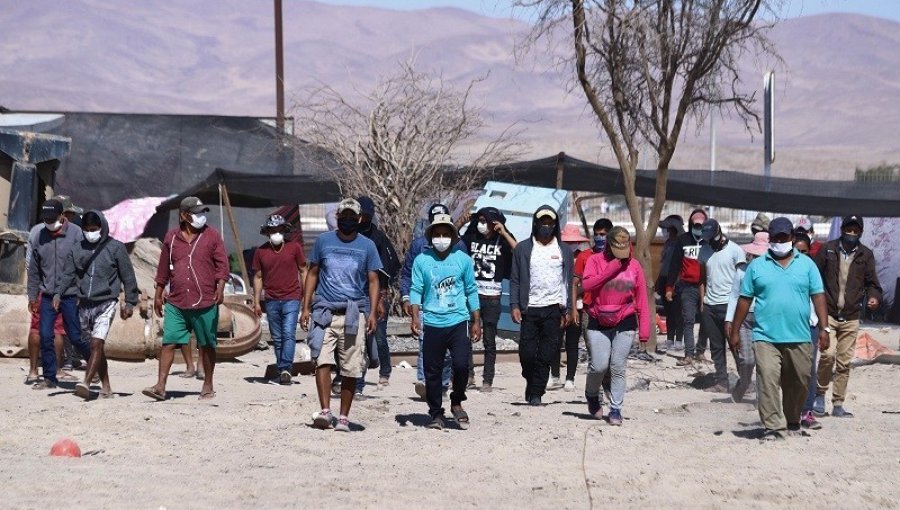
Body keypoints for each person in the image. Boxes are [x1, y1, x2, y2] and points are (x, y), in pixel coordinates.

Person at [729, 217, 830, 441]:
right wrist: (735, 330)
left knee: (800, 380)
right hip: (765, 336)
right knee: (767, 379)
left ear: (792, 238)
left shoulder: (807, 265)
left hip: (800, 336)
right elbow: (744, 300)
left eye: (784, 237)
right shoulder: (757, 266)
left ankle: (792, 419)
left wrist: (824, 328)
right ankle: (773, 427)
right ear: (770, 239)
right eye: (775, 238)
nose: (779, 241)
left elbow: (818, 295)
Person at [301, 198, 381, 432]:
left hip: (354, 313)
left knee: (351, 367)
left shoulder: (367, 246)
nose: (347, 220)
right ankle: (326, 411)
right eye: (342, 216)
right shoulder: (323, 241)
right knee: (322, 360)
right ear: (337, 218)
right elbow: (312, 273)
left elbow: (374, 280)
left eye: (351, 216)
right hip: (324, 311)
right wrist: (305, 307)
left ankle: (344, 417)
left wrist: (373, 312)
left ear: (358, 219)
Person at [143, 197, 229, 401]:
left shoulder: (212, 236)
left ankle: (207, 384)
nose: (201, 217)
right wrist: (158, 293)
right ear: (183, 215)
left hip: (205, 301)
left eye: (202, 212)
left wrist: (221, 287)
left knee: (207, 344)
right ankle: (160, 386)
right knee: (169, 342)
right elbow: (163, 269)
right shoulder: (171, 238)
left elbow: (222, 266)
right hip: (177, 302)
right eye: (196, 212)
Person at [54, 210, 140, 399]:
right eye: (87, 229)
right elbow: (68, 273)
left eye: (94, 229)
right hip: (84, 304)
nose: (90, 232)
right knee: (95, 348)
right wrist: (58, 293)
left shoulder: (116, 248)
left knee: (96, 343)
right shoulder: (77, 249)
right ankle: (106, 386)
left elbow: (128, 276)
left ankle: (86, 381)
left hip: (106, 302)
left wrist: (130, 302)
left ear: (102, 228)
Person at [410, 213, 481, 430]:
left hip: (458, 320)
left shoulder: (463, 260)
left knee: (461, 365)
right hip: (432, 322)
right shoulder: (422, 261)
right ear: (431, 237)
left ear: (452, 235)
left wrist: (476, 320)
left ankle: (457, 400)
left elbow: (471, 290)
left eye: (445, 234)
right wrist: (415, 316)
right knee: (432, 370)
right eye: (437, 234)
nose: (441, 238)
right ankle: (436, 413)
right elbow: (416, 290)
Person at [812, 215, 881, 418]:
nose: (852, 233)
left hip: (851, 317)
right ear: (842, 229)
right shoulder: (828, 249)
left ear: (860, 232)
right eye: (848, 229)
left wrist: (874, 297)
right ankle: (819, 394)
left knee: (844, 362)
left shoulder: (865, 255)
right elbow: (814, 275)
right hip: (829, 314)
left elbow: (873, 284)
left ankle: (838, 403)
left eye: (855, 230)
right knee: (827, 355)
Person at [581, 227, 651, 425]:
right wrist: (610, 270)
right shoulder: (594, 261)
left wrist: (644, 330)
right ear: (609, 247)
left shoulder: (635, 266)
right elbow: (586, 286)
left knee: (618, 366)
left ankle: (616, 409)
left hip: (625, 320)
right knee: (599, 365)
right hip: (597, 319)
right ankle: (592, 395)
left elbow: (642, 299)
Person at [510, 205, 574, 406]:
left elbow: (567, 281)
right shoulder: (523, 248)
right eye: (542, 222)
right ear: (535, 224)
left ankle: (537, 392)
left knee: (546, 354)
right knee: (527, 354)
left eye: (550, 223)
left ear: (555, 225)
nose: (546, 226)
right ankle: (531, 379)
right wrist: (514, 305)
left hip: (553, 308)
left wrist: (568, 308)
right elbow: (515, 279)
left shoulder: (563, 250)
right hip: (530, 309)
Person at [27, 199, 91, 390]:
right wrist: (32, 296)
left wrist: (83, 292)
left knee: (76, 336)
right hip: (47, 296)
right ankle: (49, 378)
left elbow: (85, 265)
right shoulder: (39, 236)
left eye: (52, 218)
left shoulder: (76, 234)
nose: (49, 222)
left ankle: (96, 365)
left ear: (62, 215)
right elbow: (34, 271)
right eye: (46, 219)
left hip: (70, 295)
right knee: (46, 336)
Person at [400, 203, 461, 398]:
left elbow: (467, 278)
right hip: (427, 303)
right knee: (425, 344)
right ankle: (424, 382)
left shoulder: (460, 247)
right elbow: (408, 273)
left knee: (448, 352)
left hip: (452, 305)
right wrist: (407, 298)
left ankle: (442, 384)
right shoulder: (419, 246)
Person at [460, 206, 516, 392]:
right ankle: (468, 375)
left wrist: (504, 232)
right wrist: (461, 222)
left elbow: (519, 252)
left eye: (486, 221)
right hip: (471, 295)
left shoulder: (503, 241)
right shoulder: (472, 237)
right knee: (466, 338)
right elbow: (452, 243)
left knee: (489, 340)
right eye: (480, 221)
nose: (482, 225)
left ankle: (487, 380)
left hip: (492, 297)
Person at [252, 214, 307, 385]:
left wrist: (306, 295)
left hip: (292, 297)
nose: (276, 233)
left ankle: (285, 369)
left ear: (284, 230)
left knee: (288, 333)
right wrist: (255, 301)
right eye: (272, 230)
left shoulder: (294, 248)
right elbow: (258, 277)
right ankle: (282, 367)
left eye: (279, 229)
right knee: (277, 337)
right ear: (267, 232)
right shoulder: (261, 252)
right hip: (271, 299)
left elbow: (303, 270)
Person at [353, 196, 400, 394]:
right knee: (355, 338)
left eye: (363, 215)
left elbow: (390, 265)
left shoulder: (378, 238)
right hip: (355, 293)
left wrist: (381, 295)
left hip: (377, 293)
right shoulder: (349, 236)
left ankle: (385, 371)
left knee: (379, 336)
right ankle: (355, 378)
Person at [698, 219, 746, 391]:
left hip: (729, 305)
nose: (709, 241)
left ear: (719, 233)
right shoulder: (704, 251)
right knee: (716, 346)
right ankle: (722, 381)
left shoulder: (735, 251)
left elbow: (742, 281)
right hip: (710, 305)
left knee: (735, 345)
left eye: (712, 237)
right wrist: (702, 301)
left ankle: (745, 380)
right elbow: (702, 278)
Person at [725, 231, 769, 403]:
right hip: (744, 320)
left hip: (765, 320)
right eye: (755, 254)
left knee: (764, 361)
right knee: (747, 360)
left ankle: (762, 399)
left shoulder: (772, 272)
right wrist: (729, 319)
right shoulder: (742, 271)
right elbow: (734, 295)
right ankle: (743, 384)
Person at [666, 208, 708, 366]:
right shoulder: (682, 240)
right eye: (696, 226)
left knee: (706, 320)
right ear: (691, 224)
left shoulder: (709, 242)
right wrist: (669, 287)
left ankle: (701, 351)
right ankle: (689, 354)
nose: (698, 229)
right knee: (688, 320)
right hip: (687, 288)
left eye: (701, 226)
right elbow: (674, 265)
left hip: (706, 288)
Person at [550, 224, 588, 391]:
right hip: (557, 305)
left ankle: (570, 378)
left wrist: (575, 291)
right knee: (555, 342)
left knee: (572, 343)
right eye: (568, 241)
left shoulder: (585, 259)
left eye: (574, 242)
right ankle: (554, 375)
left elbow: (587, 283)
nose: (571, 245)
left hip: (577, 306)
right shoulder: (555, 256)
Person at [793, 234, 823, 429]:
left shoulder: (812, 270)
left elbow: (819, 298)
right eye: (798, 251)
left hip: (810, 326)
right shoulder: (782, 270)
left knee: (808, 370)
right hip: (788, 325)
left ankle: (807, 411)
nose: (801, 255)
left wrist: (824, 328)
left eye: (805, 251)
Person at [656, 215, 684, 353]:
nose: (665, 231)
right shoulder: (668, 243)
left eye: (667, 228)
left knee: (677, 311)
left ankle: (679, 339)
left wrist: (674, 282)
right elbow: (663, 264)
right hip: (664, 279)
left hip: (676, 281)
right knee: (668, 312)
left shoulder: (681, 243)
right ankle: (670, 338)